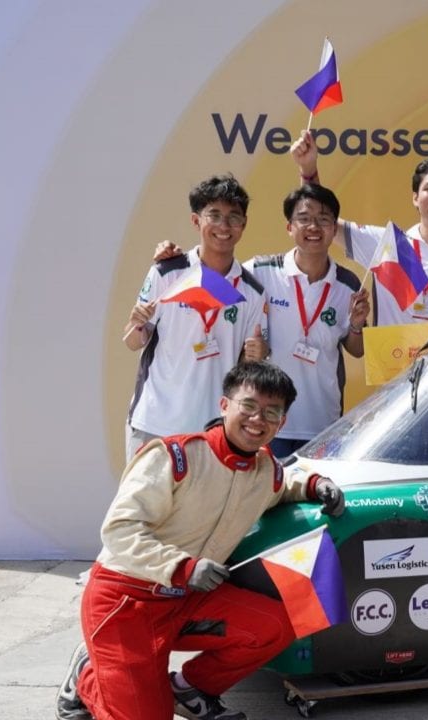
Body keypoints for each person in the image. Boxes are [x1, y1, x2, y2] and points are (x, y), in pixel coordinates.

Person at [56, 362, 346, 720]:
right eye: (249, 406)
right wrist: (181, 567)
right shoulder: (176, 457)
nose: (258, 419)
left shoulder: (264, 470)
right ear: (224, 406)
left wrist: (315, 485)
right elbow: (119, 530)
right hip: (126, 602)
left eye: (272, 412)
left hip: (188, 601)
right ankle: (87, 675)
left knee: (275, 627)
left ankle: (190, 689)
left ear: (282, 423)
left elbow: (283, 486)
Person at [153, 184, 372, 459]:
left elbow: (357, 349)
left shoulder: (348, 283)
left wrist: (356, 324)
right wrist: (174, 256)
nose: (313, 227)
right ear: (289, 227)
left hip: (322, 421)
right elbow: (212, 275)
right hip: (265, 422)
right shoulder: (259, 271)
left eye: (324, 219)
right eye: (304, 219)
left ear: (333, 229)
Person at [290, 129, 428, 325]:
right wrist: (308, 169)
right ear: (415, 198)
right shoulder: (388, 244)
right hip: (392, 367)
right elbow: (324, 222)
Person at [124, 175, 269, 459]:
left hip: (211, 431)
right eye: (213, 215)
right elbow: (132, 341)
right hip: (154, 423)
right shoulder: (167, 273)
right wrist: (136, 322)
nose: (224, 226)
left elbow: (247, 365)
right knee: (145, 505)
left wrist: (258, 355)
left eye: (233, 217)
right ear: (196, 220)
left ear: (244, 224)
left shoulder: (252, 292)